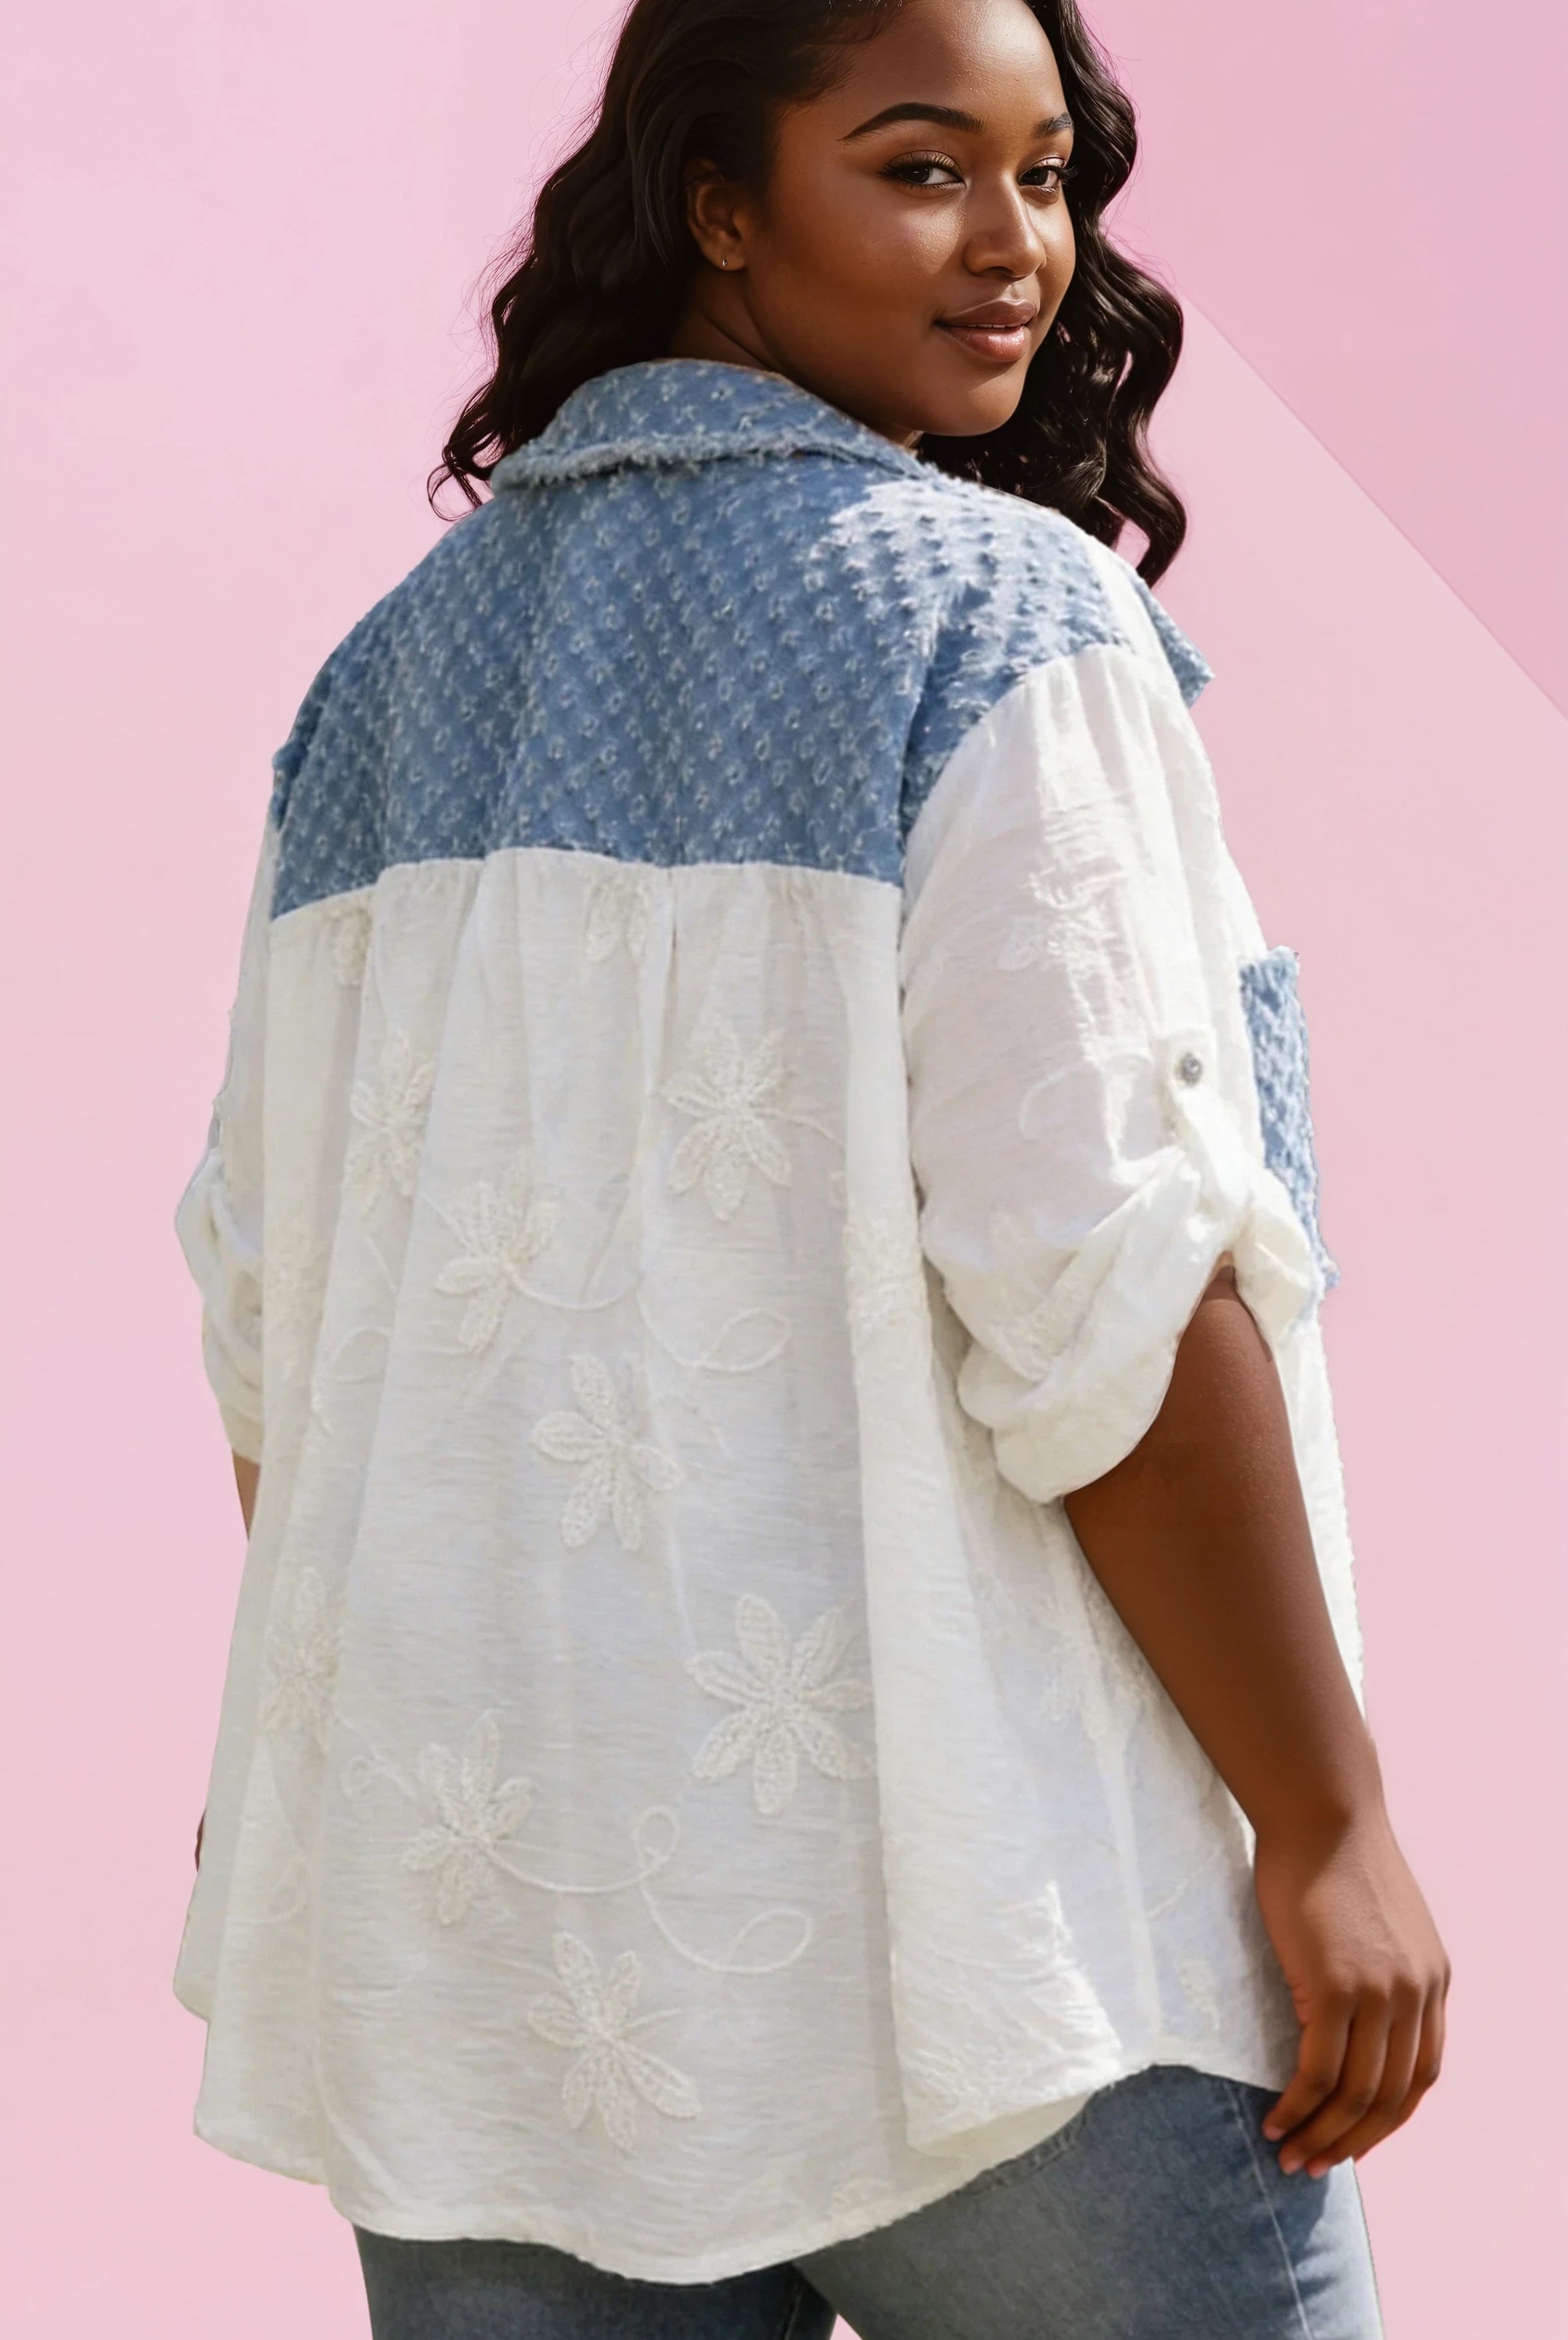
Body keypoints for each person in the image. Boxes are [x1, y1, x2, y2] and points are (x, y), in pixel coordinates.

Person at [174, 0, 1449, 2332]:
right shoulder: (987, 619)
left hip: (491, 1961)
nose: (1016, 243)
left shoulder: (376, 698)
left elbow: (278, 1324)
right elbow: (1109, 1295)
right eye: (922, 166)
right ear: (721, 208)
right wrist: (1328, 1817)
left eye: (1046, 174)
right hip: (989, 1945)